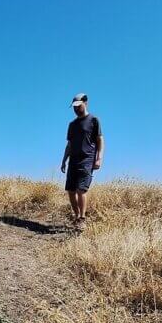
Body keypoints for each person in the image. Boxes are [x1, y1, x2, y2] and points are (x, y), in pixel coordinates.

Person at [60, 93, 104, 229]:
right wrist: (63, 161)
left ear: (86, 103)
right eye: (74, 107)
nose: (76, 109)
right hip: (73, 159)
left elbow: (100, 140)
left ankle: (82, 218)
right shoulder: (72, 125)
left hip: (87, 159)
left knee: (81, 190)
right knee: (71, 191)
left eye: (78, 106)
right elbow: (69, 144)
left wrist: (99, 158)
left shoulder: (94, 120)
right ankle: (76, 216)